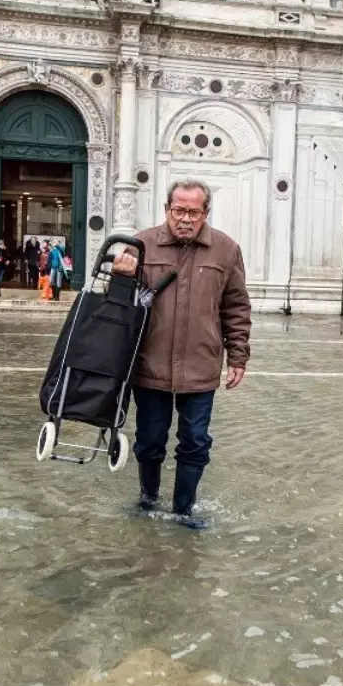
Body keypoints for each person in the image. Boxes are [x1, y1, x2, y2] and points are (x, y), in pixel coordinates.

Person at [112, 179, 251, 529]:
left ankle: (183, 510)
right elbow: (117, 306)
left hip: (200, 367)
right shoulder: (140, 244)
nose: (185, 218)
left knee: (195, 442)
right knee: (149, 439)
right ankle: (147, 500)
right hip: (150, 365)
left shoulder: (226, 249)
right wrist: (121, 277)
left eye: (194, 211)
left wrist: (238, 356)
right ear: (166, 209)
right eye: (179, 210)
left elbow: (236, 308)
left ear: (205, 213)